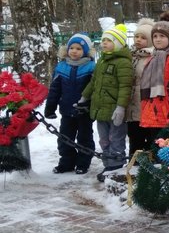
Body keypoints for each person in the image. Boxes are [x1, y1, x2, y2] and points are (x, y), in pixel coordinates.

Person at [78, 24, 133, 179]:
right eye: (103, 40)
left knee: (116, 138)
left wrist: (121, 107)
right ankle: (108, 164)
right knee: (103, 139)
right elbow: (94, 82)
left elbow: (125, 87)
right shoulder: (102, 61)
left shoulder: (123, 63)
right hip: (101, 108)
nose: (104, 43)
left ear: (118, 43)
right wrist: (84, 97)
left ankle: (116, 166)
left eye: (108, 40)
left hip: (114, 109)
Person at [44, 33, 96, 175]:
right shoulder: (61, 67)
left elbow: (95, 90)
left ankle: (83, 163)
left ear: (85, 51)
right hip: (66, 110)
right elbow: (55, 89)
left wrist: (91, 105)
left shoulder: (91, 67)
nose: (74, 51)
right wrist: (50, 107)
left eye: (79, 49)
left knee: (85, 138)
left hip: (84, 111)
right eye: (71, 48)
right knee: (64, 138)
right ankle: (66, 162)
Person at [126, 18, 155, 157]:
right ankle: (134, 161)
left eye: (143, 38)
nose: (138, 40)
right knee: (134, 135)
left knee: (148, 135)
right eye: (136, 36)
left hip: (146, 102)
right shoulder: (131, 55)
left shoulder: (152, 57)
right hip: (132, 104)